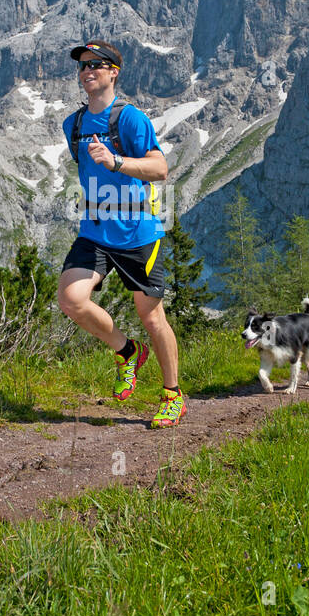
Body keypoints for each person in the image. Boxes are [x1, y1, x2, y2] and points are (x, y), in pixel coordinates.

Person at [56, 41, 185, 427]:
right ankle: (127, 351)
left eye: (96, 64)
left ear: (114, 72)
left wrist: (115, 161)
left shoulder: (130, 119)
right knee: (71, 298)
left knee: (151, 317)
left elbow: (160, 169)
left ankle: (172, 395)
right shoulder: (73, 124)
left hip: (136, 233)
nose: (87, 71)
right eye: (82, 66)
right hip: (95, 230)